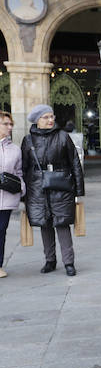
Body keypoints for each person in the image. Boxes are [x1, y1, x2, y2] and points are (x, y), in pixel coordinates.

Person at [22, 105, 85, 276]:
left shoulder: (63, 137)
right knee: (45, 224)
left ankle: (68, 262)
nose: (50, 120)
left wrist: (79, 191)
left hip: (61, 185)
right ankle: (50, 260)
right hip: (37, 186)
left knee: (62, 223)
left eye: (52, 116)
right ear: (37, 120)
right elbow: (24, 167)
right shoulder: (28, 140)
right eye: (45, 117)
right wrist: (23, 192)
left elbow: (75, 164)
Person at [0, 112, 23, 278]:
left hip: (6, 198)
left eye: (11, 124)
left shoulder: (15, 149)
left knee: (1, 231)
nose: (10, 127)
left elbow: (19, 172)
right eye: (6, 124)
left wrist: (21, 188)